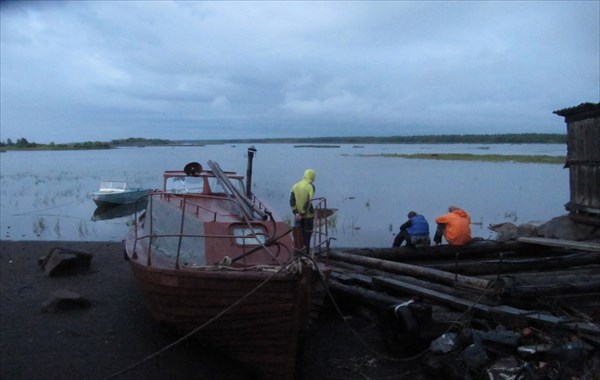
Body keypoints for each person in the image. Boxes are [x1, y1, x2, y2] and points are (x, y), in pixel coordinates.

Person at [290, 169, 316, 253]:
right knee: (307, 238)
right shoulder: (310, 186)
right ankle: (306, 256)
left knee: (297, 237)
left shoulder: (295, 185)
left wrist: (296, 213)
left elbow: (291, 200)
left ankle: (298, 254)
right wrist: (302, 213)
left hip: (297, 217)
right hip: (308, 216)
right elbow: (309, 201)